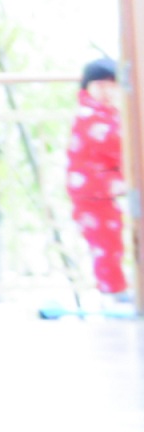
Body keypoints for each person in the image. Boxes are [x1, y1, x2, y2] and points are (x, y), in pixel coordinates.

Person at [71, 58, 127, 305]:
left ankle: (113, 290)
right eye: (99, 85)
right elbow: (114, 144)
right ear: (87, 88)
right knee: (106, 244)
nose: (106, 91)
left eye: (111, 85)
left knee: (110, 241)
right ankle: (113, 292)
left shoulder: (105, 113)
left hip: (99, 191)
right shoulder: (91, 115)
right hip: (92, 193)